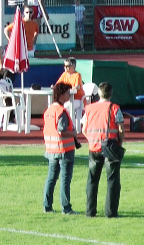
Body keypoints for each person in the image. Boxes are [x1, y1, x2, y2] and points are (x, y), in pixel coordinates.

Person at [82, 82, 124, 218]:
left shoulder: (89, 108)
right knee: (112, 180)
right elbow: (121, 129)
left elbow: (83, 129)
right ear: (111, 94)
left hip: (94, 146)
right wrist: (119, 142)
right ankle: (111, 212)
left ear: (98, 93)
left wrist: (91, 139)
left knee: (92, 179)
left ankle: (90, 211)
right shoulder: (114, 108)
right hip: (110, 146)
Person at [42, 82, 77, 215]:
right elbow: (61, 130)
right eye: (68, 92)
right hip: (64, 149)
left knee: (51, 178)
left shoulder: (49, 110)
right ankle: (66, 207)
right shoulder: (61, 111)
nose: (69, 95)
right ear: (61, 94)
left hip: (51, 149)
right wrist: (73, 133)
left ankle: (47, 205)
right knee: (65, 180)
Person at [56, 57, 85, 128]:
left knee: (66, 107)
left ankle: (69, 126)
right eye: (64, 66)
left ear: (73, 66)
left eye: (67, 66)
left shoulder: (77, 75)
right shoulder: (64, 74)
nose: (65, 68)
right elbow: (58, 84)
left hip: (77, 99)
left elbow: (77, 86)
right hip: (67, 98)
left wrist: (68, 89)